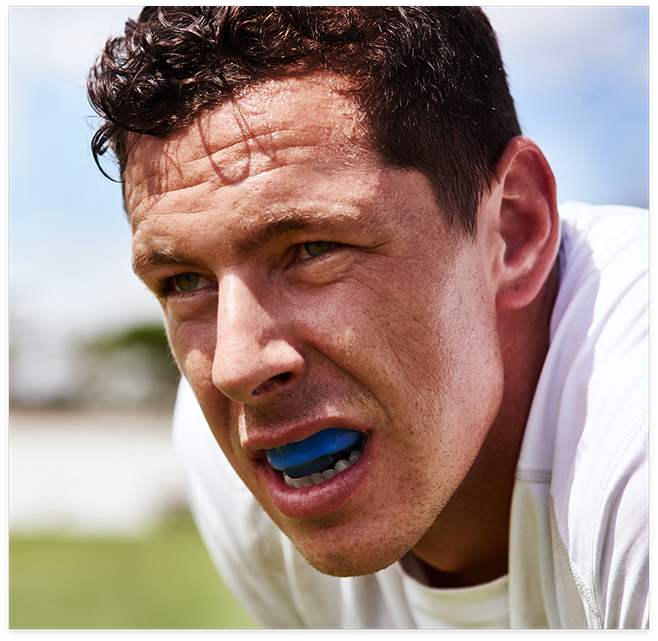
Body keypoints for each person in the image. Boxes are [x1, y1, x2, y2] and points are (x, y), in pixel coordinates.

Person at [87, 7, 648, 628]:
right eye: (186, 282)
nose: (237, 367)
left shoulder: (634, 443)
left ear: (513, 229)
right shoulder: (234, 470)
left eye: (313, 249)